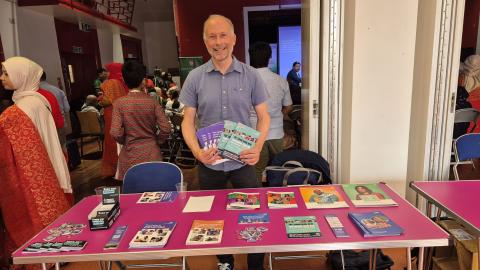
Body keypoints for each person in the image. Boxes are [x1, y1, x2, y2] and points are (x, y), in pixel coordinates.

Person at [179, 14, 270, 270]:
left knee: (253, 217)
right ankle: (226, 262)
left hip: (243, 162)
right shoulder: (195, 77)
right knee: (212, 219)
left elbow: (263, 117)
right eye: (212, 36)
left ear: (233, 39)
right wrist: (196, 152)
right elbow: (187, 121)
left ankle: (255, 264)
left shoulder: (251, 75)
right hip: (209, 166)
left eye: (223, 35)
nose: (218, 42)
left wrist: (258, 147)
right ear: (205, 41)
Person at [0, 57, 71, 268]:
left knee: (32, 216)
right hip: (50, 162)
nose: (1, 78)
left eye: (6, 73)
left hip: (31, 172)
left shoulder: (17, 112)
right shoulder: (39, 100)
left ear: (21, 75)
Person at [110, 60, 171, 180]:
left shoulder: (119, 103)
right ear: (143, 81)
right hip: (152, 153)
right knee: (155, 194)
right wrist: (157, 141)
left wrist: (126, 141)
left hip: (130, 155)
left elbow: (115, 132)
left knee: (133, 195)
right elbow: (166, 128)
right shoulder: (152, 102)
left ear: (124, 80)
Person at [248, 41, 293, 183]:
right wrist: (278, 114)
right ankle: (277, 198)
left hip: (253, 134)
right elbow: (289, 106)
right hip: (276, 133)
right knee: (278, 169)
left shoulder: (244, 81)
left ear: (250, 57)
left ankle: (258, 199)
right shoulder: (280, 80)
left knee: (256, 170)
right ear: (269, 58)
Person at [99, 63, 128, 179]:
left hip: (111, 115)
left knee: (111, 143)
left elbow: (107, 101)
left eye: (107, 70)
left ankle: (115, 170)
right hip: (122, 115)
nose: (106, 73)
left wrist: (100, 100)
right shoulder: (122, 83)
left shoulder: (109, 83)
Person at [40, 71, 70, 150]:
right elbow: (67, 108)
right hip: (61, 123)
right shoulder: (58, 90)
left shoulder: (34, 93)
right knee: (62, 148)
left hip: (45, 126)